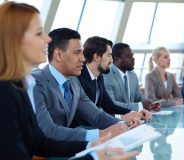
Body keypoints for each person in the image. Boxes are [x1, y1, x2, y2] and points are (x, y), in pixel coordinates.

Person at [0, 2, 139, 160]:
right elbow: (46, 134)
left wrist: (94, 144)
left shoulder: (25, 85)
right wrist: (94, 154)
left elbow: (39, 142)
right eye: (39, 33)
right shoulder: (11, 91)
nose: (47, 39)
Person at [32, 28, 130, 143]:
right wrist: (101, 133)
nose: (83, 58)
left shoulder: (73, 81)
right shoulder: (36, 82)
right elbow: (48, 131)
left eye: (82, 53)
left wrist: (125, 125)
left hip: (64, 148)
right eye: (77, 53)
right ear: (58, 54)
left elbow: (97, 116)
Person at [78, 36, 151, 123]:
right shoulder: (80, 78)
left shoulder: (99, 77)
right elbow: (88, 115)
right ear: (96, 57)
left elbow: (110, 106)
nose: (112, 61)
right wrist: (121, 118)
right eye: (109, 55)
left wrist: (135, 113)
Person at [103, 43, 159, 111]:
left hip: (135, 117)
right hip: (116, 117)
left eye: (132, 56)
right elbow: (111, 104)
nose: (133, 59)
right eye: (129, 56)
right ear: (117, 59)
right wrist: (140, 106)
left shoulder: (132, 75)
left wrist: (150, 103)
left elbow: (137, 96)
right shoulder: (106, 76)